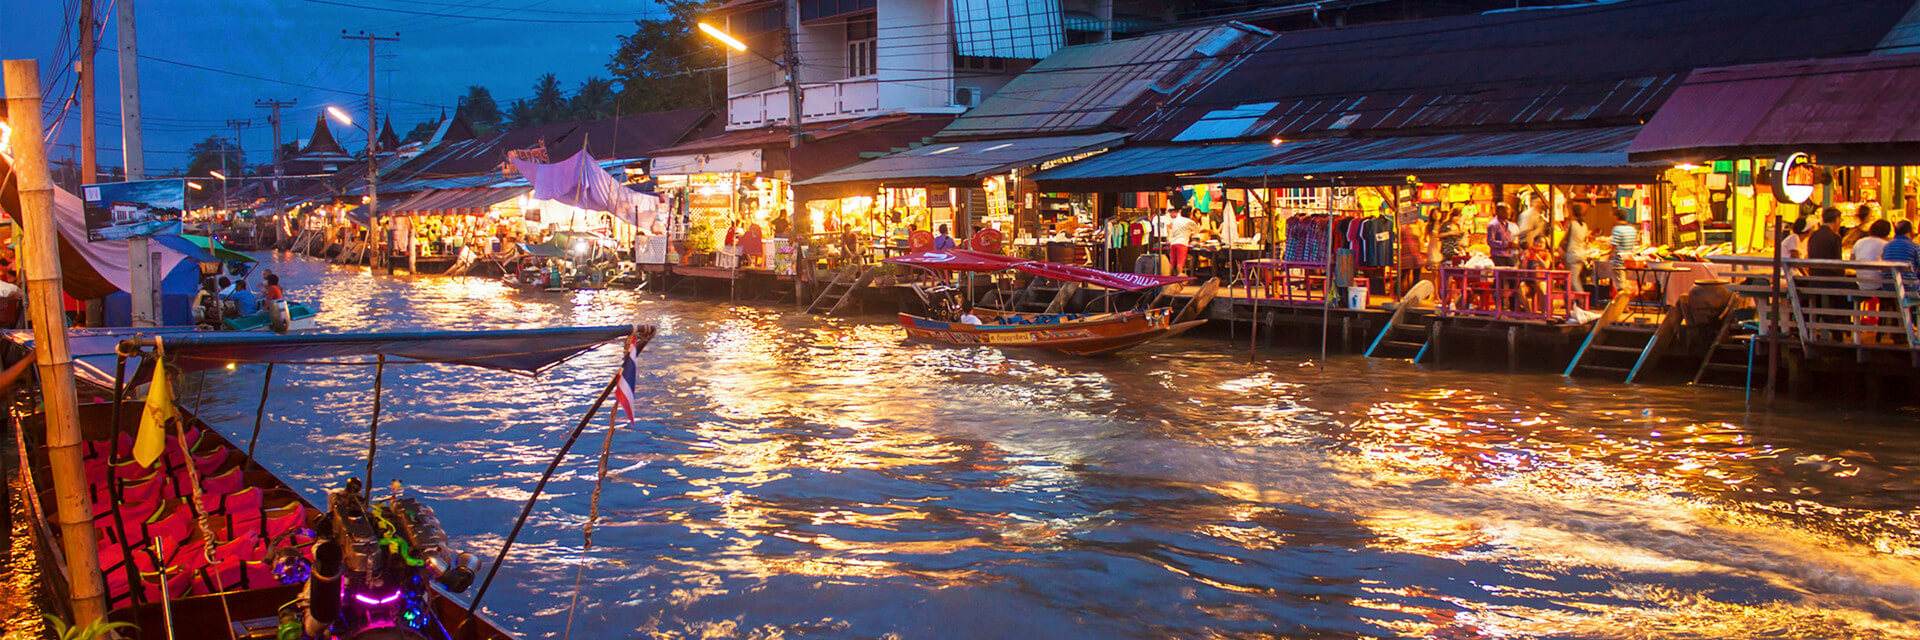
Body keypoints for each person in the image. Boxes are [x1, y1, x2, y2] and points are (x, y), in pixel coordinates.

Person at [1881, 220, 1920, 293]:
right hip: (1908, 287)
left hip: (1888, 286)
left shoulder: (1887, 246)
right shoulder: (1915, 247)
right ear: (1909, 232)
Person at [1852, 219, 1892, 288]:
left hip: (1861, 284)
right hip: (1879, 285)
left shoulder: (1859, 242)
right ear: (1887, 233)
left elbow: (1852, 260)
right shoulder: (1886, 245)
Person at [1560, 207, 1590, 296]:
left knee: (1572, 279)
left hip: (1572, 254)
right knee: (1575, 278)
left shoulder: (1572, 224)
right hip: (1581, 254)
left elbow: (1565, 238)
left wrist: (1560, 246)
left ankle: (1582, 299)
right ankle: (1574, 300)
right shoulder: (1585, 225)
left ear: (1572, 212)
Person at [1609, 210, 1639, 293]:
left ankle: (1623, 300)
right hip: (1629, 261)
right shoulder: (1632, 229)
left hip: (1619, 262)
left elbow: (1614, 246)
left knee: (1620, 287)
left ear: (1616, 217)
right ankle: (1626, 300)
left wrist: (1609, 257)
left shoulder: (1617, 229)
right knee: (1626, 284)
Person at [1167, 209, 1199, 276]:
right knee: (1180, 263)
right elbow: (1197, 231)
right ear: (1189, 214)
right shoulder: (1189, 222)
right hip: (1182, 243)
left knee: (1172, 263)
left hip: (1173, 243)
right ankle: (1179, 279)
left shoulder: (1175, 220)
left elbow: (1170, 227)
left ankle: (1169, 278)